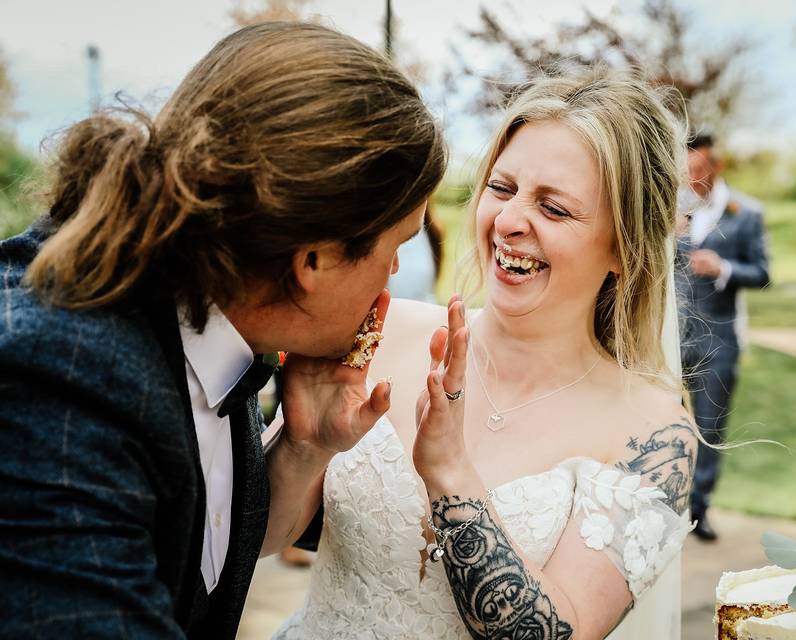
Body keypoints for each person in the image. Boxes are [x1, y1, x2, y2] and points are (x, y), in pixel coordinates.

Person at [0, 22, 445, 638]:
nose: (396, 272)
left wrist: (304, 449)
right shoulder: (60, 379)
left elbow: (193, 553)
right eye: (394, 246)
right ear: (311, 260)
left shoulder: (220, 319)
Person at [274, 68, 697, 640]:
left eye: (554, 208)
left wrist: (450, 474)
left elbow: (554, 633)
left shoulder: (651, 432)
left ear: (625, 246)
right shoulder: (379, 331)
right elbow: (262, 539)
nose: (508, 221)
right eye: (502, 188)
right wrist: (303, 449)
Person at [676, 133, 770, 541]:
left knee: (710, 428)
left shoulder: (746, 213)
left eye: (697, 172)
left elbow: (763, 273)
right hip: (672, 334)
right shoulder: (671, 208)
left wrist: (724, 268)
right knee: (663, 419)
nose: (691, 180)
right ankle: (667, 504)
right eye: (686, 172)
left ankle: (699, 509)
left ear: (716, 167)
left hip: (719, 337)